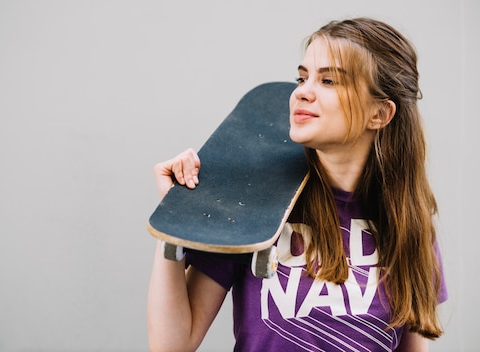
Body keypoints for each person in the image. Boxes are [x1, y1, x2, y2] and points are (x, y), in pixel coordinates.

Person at [147, 17, 447, 352]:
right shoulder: (253, 204)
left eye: (328, 80)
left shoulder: (409, 225)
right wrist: (172, 220)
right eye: (302, 77)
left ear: (379, 114)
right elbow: (171, 345)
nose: (302, 92)